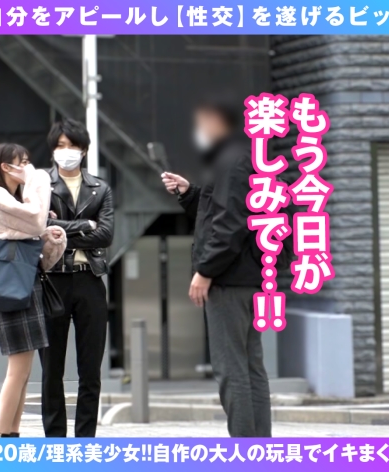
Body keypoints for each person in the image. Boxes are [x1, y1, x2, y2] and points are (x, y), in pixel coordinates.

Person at [160, 98, 272, 437]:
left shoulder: (231, 160)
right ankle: (260, 447)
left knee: (232, 370)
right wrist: (189, 193)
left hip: (229, 279)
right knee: (250, 367)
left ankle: (245, 450)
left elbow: (229, 223)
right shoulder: (244, 157)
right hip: (250, 277)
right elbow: (222, 211)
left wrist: (205, 271)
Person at [0, 143, 67, 438]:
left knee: (23, 372)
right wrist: (35, 183)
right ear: (5, 167)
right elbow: (35, 219)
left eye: (28, 162)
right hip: (12, 287)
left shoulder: (10, 197)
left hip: (22, 283)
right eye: (22, 163)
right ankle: (1, 436)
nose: (28, 168)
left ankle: (11, 434)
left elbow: (32, 227)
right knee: (18, 370)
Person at [39, 118, 114, 438]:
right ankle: (55, 442)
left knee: (90, 371)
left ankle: (85, 442)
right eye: (60, 146)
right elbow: (38, 228)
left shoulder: (100, 187)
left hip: (90, 280)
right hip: (52, 281)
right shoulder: (40, 185)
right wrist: (85, 226)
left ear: (83, 150)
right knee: (51, 370)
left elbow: (106, 235)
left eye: (72, 145)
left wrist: (61, 230)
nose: (66, 151)